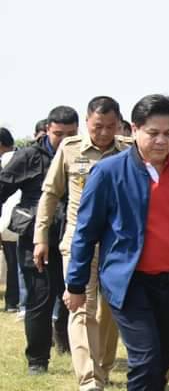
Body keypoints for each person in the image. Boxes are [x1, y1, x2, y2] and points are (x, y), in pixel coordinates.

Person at [64, 94, 169, 390]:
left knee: (162, 362)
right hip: (129, 282)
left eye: (168, 133)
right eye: (153, 133)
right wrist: (75, 285)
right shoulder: (108, 172)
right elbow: (85, 233)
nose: (161, 141)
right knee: (146, 360)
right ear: (134, 129)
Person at [33, 96, 130, 391]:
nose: (104, 132)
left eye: (111, 126)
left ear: (119, 124)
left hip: (117, 244)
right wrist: (41, 237)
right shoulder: (70, 148)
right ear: (87, 122)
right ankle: (90, 380)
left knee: (111, 309)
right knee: (80, 307)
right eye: (98, 126)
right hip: (78, 242)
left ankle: (103, 366)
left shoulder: (129, 151)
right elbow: (50, 194)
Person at [0, 106, 79, 375]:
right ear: (47, 130)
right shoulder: (28, 157)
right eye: (59, 134)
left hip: (74, 239)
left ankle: (67, 343)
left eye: (71, 134)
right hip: (37, 240)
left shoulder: (82, 154)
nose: (64, 139)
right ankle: (37, 360)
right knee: (40, 300)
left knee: (73, 296)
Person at [1, 128, 21, 314]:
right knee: (14, 264)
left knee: (15, 264)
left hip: (16, 221)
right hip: (10, 222)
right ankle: (13, 301)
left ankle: (14, 301)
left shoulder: (13, 160)